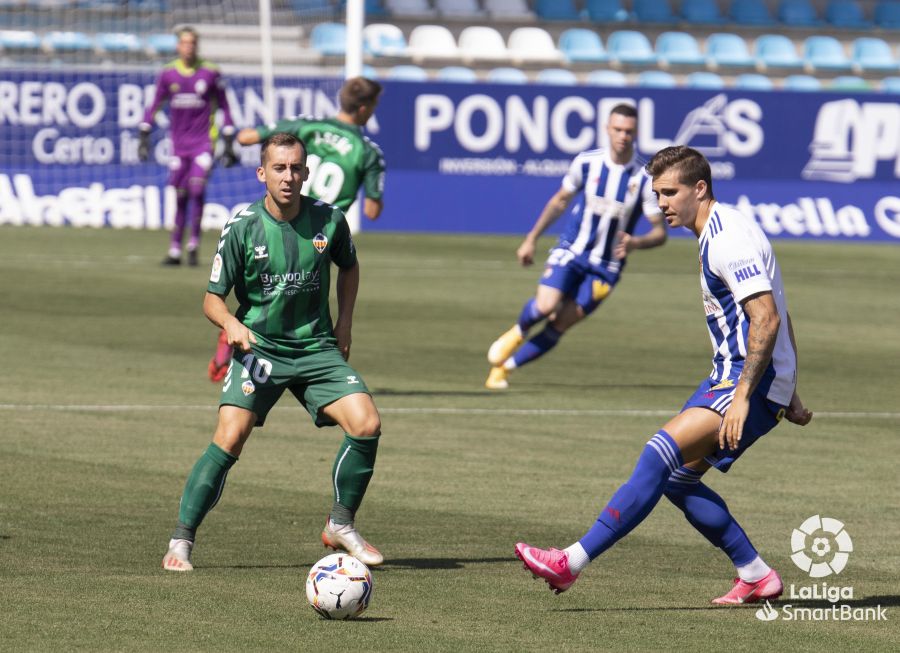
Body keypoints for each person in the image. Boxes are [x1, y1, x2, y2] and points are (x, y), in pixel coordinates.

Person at [515, 145, 813, 604]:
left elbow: (767, 317)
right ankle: (755, 574)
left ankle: (569, 563)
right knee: (677, 480)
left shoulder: (728, 238)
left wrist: (749, 394)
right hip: (740, 376)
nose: (661, 204)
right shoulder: (718, 227)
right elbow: (775, 306)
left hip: (745, 381)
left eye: (670, 193)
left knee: (658, 457)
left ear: (700, 188)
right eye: (656, 193)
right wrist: (788, 384)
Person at [162, 132, 384, 572]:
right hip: (260, 349)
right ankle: (181, 541)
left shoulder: (330, 221)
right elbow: (211, 299)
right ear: (262, 173)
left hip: (316, 347)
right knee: (229, 437)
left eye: (296, 168)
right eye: (279, 168)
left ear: (306, 172)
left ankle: (341, 523)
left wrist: (344, 323)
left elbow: (350, 266)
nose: (288, 176)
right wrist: (231, 325)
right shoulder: (242, 226)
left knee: (367, 424)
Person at [207, 76, 385, 382]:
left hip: (278, 220)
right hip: (318, 229)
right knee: (299, 291)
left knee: (270, 289)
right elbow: (373, 210)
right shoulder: (368, 151)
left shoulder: (304, 127)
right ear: (366, 108)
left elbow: (248, 137)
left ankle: (242, 341)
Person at [485, 104, 667, 390]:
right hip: (572, 250)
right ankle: (518, 330)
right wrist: (532, 238)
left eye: (629, 131)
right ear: (607, 129)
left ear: (636, 134)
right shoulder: (587, 162)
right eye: (618, 129)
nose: (623, 136)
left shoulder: (644, 178)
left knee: (561, 323)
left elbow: (660, 232)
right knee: (546, 306)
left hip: (606, 268)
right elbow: (560, 201)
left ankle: (504, 370)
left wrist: (636, 242)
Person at [139, 26, 237, 267]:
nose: (189, 46)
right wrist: (144, 133)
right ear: (177, 46)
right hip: (178, 146)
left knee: (196, 189)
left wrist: (228, 139)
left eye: (192, 42)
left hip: (204, 142)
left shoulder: (210, 73)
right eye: (184, 42)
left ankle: (193, 245)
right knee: (180, 195)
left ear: (197, 45)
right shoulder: (168, 74)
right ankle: (175, 249)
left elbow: (225, 105)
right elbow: (155, 104)